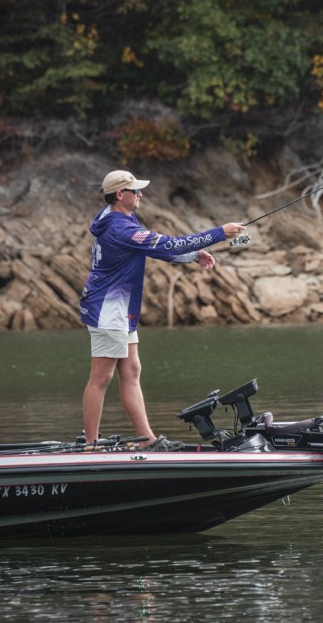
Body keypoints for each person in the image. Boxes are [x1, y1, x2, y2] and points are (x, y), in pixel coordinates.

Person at [78, 169, 245, 451]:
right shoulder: (120, 228)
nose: (141, 194)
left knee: (131, 370)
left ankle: (147, 440)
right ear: (120, 194)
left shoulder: (119, 218)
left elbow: (156, 249)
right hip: (108, 308)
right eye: (136, 190)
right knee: (101, 378)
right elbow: (168, 243)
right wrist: (219, 233)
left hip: (119, 308)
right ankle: (91, 444)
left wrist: (193, 255)